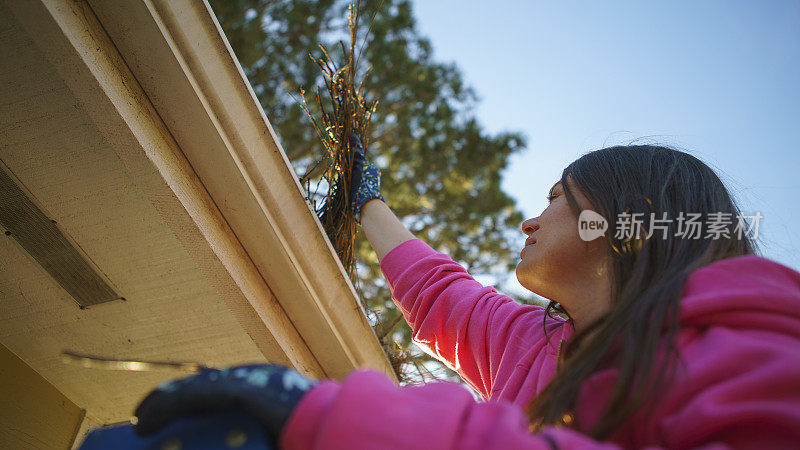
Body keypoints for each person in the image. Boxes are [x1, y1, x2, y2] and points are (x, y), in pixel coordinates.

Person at [132, 136, 800, 449]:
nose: (529, 219)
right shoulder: (530, 341)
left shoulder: (758, 346)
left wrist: (345, 422)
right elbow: (437, 291)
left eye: (555, 199)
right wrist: (369, 202)